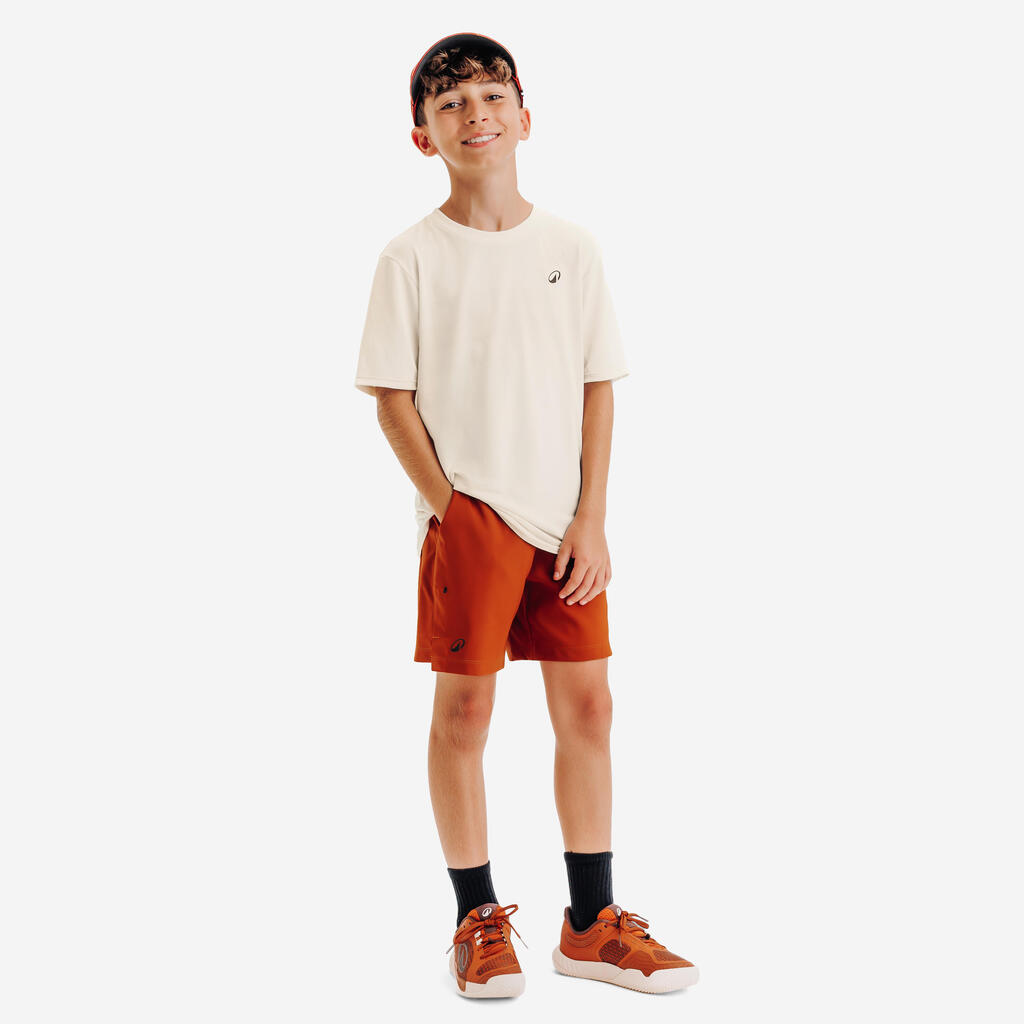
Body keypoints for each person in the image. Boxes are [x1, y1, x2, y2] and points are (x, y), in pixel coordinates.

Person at [354, 31, 699, 999]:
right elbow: (391, 400)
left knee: (589, 706)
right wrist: (452, 509)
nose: (476, 115)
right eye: (450, 104)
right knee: (465, 712)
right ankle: (476, 918)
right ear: (423, 136)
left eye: (491, 96)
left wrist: (593, 516)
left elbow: (597, 385)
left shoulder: (571, 249)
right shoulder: (409, 257)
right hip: (471, 519)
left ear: (525, 117)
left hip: (564, 522)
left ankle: (590, 923)